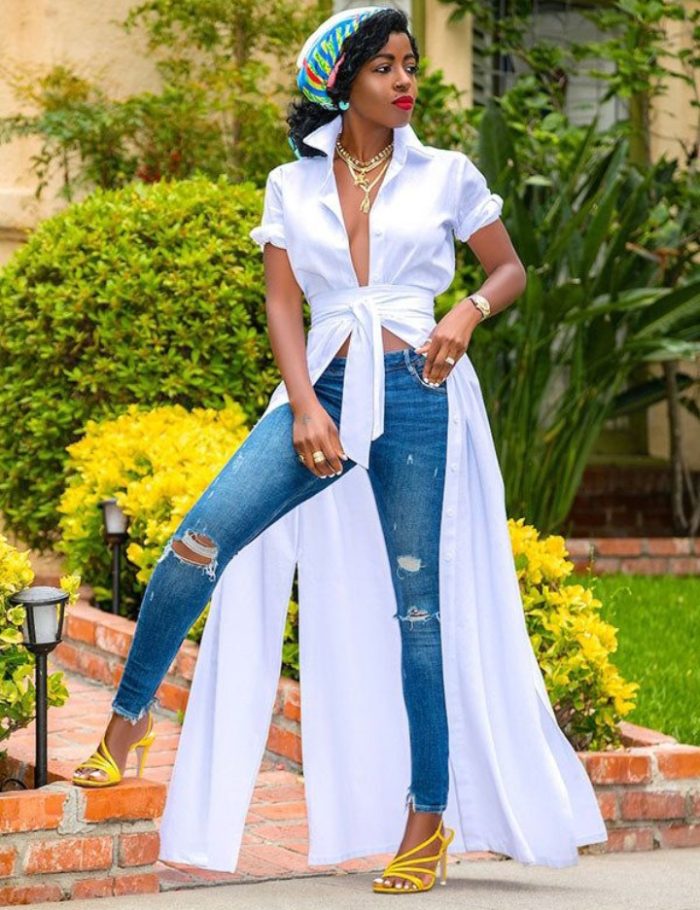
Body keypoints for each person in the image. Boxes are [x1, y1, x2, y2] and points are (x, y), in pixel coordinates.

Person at [73, 5, 608, 894]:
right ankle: (126, 727)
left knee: (420, 612)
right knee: (199, 541)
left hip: (419, 394)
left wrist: (467, 311)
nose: (405, 82)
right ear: (342, 80)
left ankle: (425, 822)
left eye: (410, 66)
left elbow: (508, 269)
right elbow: (283, 303)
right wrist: (302, 408)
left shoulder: (446, 174)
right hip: (321, 387)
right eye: (385, 67)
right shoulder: (292, 184)